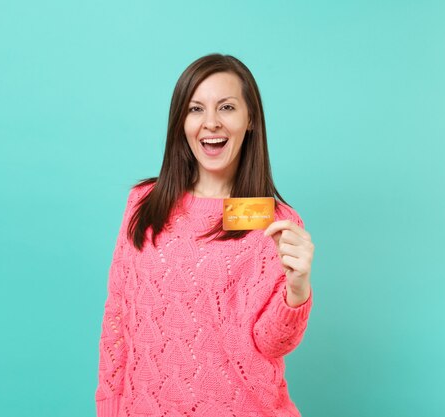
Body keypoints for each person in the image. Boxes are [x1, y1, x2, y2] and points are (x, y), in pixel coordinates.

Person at [95, 54, 315, 417]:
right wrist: (109, 405)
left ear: (250, 121)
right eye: (196, 109)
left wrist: (298, 289)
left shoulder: (275, 222)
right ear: (181, 122)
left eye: (226, 107)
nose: (210, 123)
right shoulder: (144, 204)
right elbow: (117, 315)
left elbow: (270, 343)